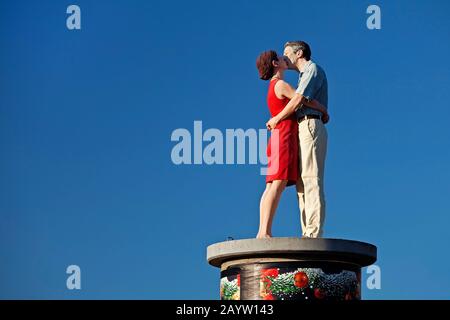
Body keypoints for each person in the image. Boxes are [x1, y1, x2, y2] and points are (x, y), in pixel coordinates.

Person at [255, 50, 328, 239]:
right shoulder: (280, 84)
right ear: (274, 64)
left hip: (278, 137)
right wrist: (322, 109)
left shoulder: (273, 87)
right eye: (280, 57)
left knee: (271, 185)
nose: (284, 58)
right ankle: (265, 232)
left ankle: (263, 230)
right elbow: (301, 99)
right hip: (284, 137)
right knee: (277, 184)